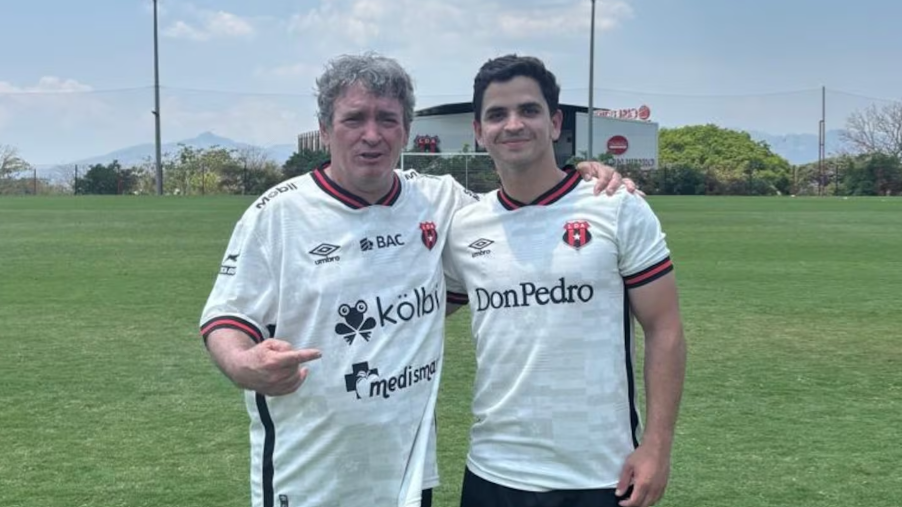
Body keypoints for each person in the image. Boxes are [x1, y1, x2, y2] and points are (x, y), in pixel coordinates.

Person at [198, 53, 633, 507]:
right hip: (309, 474)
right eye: (354, 119)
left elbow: (519, 214)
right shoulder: (278, 213)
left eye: (388, 119)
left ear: (405, 130)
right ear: (325, 130)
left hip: (407, 475)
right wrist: (243, 364)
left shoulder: (440, 200)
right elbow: (227, 317)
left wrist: (582, 178)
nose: (372, 135)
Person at [443, 54, 687, 507]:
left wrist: (657, 445)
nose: (513, 124)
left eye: (529, 110)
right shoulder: (465, 227)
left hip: (600, 473)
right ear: (479, 132)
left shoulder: (616, 205)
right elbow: (417, 310)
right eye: (497, 114)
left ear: (554, 123)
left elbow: (664, 327)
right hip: (493, 471)